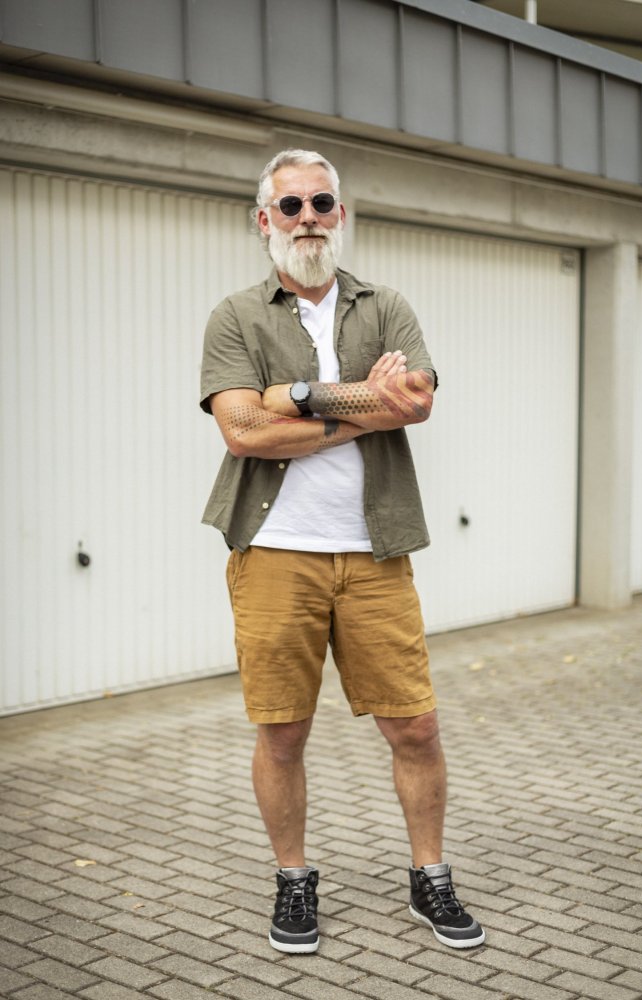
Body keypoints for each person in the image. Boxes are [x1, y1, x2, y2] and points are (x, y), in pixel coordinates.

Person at [200, 149, 485, 954]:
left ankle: (428, 877)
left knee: (417, 729)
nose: (308, 218)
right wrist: (368, 402)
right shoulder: (236, 316)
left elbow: (417, 401)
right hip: (274, 553)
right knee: (282, 732)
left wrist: (291, 396)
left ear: (341, 213)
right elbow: (238, 430)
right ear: (265, 221)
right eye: (290, 207)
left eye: (321, 202)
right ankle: (293, 881)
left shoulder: (384, 304)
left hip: (374, 552)